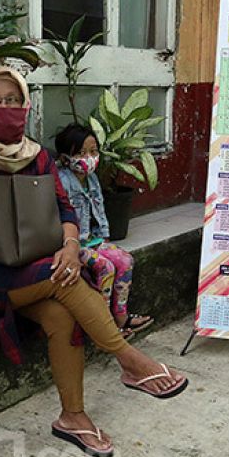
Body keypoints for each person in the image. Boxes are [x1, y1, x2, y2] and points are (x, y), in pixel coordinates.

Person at [0, 66, 189, 457]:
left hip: (34, 265)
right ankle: (129, 359)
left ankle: (72, 417)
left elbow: (65, 209)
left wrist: (70, 248)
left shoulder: (37, 157)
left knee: (62, 316)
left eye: (12, 100)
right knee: (62, 279)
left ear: (25, 105)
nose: (4, 107)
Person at [54, 123, 153, 338]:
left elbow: (98, 209)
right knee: (105, 267)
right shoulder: (61, 181)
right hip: (74, 244)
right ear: (65, 157)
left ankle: (120, 316)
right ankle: (104, 325)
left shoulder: (92, 179)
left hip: (93, 240)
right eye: (81, 153)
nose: (89, 157)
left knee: (125, 260)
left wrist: (104, 238)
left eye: (93, 151)